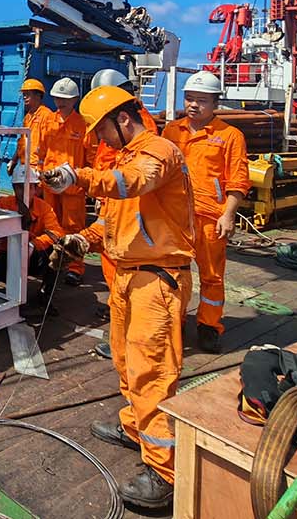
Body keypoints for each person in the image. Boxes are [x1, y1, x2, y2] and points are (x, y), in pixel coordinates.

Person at [43, 85, 195, 510]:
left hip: (156, 281)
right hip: (129, 279)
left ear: (122, 119)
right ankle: (135, 427)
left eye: (101, 131)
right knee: (127, 363)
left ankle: (165, 471)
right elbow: (114, 219)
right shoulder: (127, 156)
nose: (99, 140)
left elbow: (129, 185)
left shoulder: (158, 152)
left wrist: (80, 176)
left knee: (153, 372)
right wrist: (81, 240)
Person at [162, 71, 250, 353]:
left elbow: (238, 179)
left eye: (201, 100)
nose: (194, 105)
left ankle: (209, 326)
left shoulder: (230, 136)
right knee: (174, 273)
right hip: (176, 218)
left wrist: (228, 214)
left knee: (211, 276)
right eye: (189, 99)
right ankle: (175, 320)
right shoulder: (171, 132)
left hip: (211, 219)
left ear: (215, 103)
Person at [82, 67, 157, 357]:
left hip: (127, 208)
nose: (102, 134)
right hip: (113, 202)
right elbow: (105, 161)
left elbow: (128, 173)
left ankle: (128, 338)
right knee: (114, 271)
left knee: (123, 274)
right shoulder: (120, 125)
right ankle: (122, 334)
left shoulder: (140, 132)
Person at [34, 78, 88, 284]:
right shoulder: (48, 121)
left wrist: (90, 183)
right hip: (50, 184)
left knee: (74, 227)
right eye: (57, 98)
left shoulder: (83, 124)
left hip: (73, 186)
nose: (61, 102)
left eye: (65, 98)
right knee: (49, 224)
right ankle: (50, 260)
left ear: (75, 99)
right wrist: (39, 176)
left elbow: (90, 155)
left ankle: (75, 267)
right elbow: (40, 150)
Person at [7, 77, 56, 204]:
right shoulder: (28, 117)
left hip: (38, 171)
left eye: (27, 94)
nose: (24, 98)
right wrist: (13, 160)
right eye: (24, 95)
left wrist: (42, 171)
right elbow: (22, 143)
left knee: (36, 205)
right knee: (24, 203)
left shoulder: (47, 116)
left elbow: (50, 147)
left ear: (38, 95)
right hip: (26, 168)